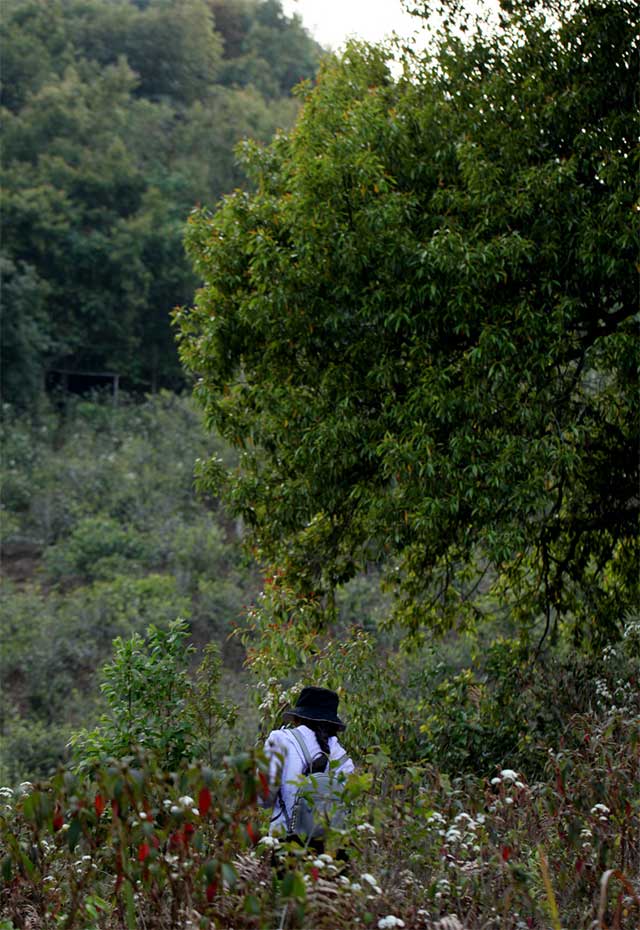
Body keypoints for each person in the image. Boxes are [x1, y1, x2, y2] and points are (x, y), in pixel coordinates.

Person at [260, 686, 354, 850]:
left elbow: (263, 799)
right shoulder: (344, 759)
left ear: (297, 718)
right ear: (332, 723)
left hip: (285, 845)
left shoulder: (280, 740)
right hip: (330, 852)